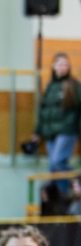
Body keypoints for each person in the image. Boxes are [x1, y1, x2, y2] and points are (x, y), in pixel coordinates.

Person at [36, 53, 81, 192]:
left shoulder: (73, 85)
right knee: (53, 168)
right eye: (60, 64)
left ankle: (77, 179)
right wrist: (38, 131)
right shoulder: (50, 86)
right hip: (51, 131)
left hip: (67, 130)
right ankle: (64, 196)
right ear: (54, 66)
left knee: (58, 161)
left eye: (66, 65)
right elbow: (44, 110)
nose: (63, 67)